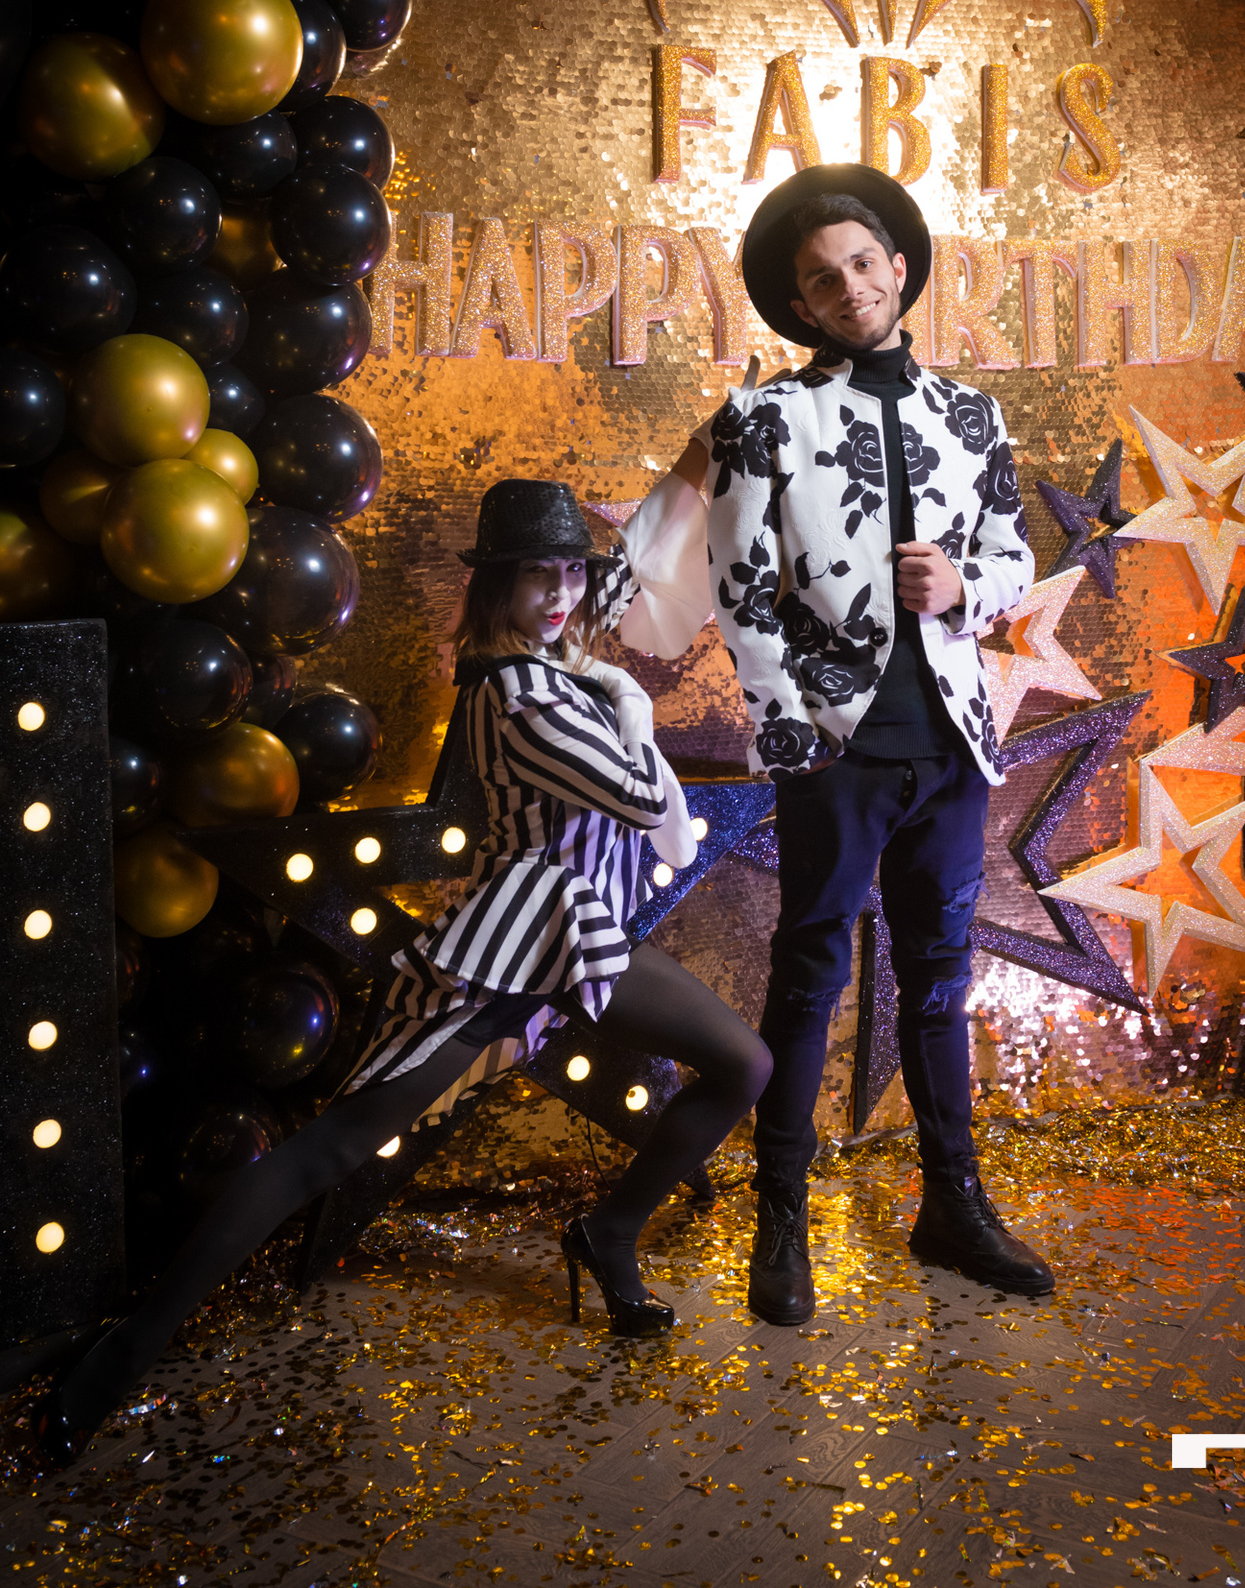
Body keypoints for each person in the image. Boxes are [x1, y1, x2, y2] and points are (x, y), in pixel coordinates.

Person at [37, 474, 771, 1469]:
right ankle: (124, 1353)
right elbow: (644, 800)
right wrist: (630, 701)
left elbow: (617, 611)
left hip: (585, 939)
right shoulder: (518, 696)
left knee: (743, 1064)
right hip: (511, 949)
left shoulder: (558, 659)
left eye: (568, 572)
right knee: (328, 1151)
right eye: (535, 576)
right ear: (496, 586)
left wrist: (623, 621)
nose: (558, 594)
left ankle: (607, 1233)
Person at [696, 162, 1054, 1323]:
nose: (848, 286)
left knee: (938, 982)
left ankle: (952, 1206)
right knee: (809, 978)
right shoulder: (766, 420)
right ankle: (781, 1218)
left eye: (862, 263)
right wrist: (788, 732)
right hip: (836, 751)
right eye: (821, 279)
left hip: (950, 747)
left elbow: (1013, 557)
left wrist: (963, 587)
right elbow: (740, 589)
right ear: (799, 304)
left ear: (897, 269)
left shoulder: (972, 415)